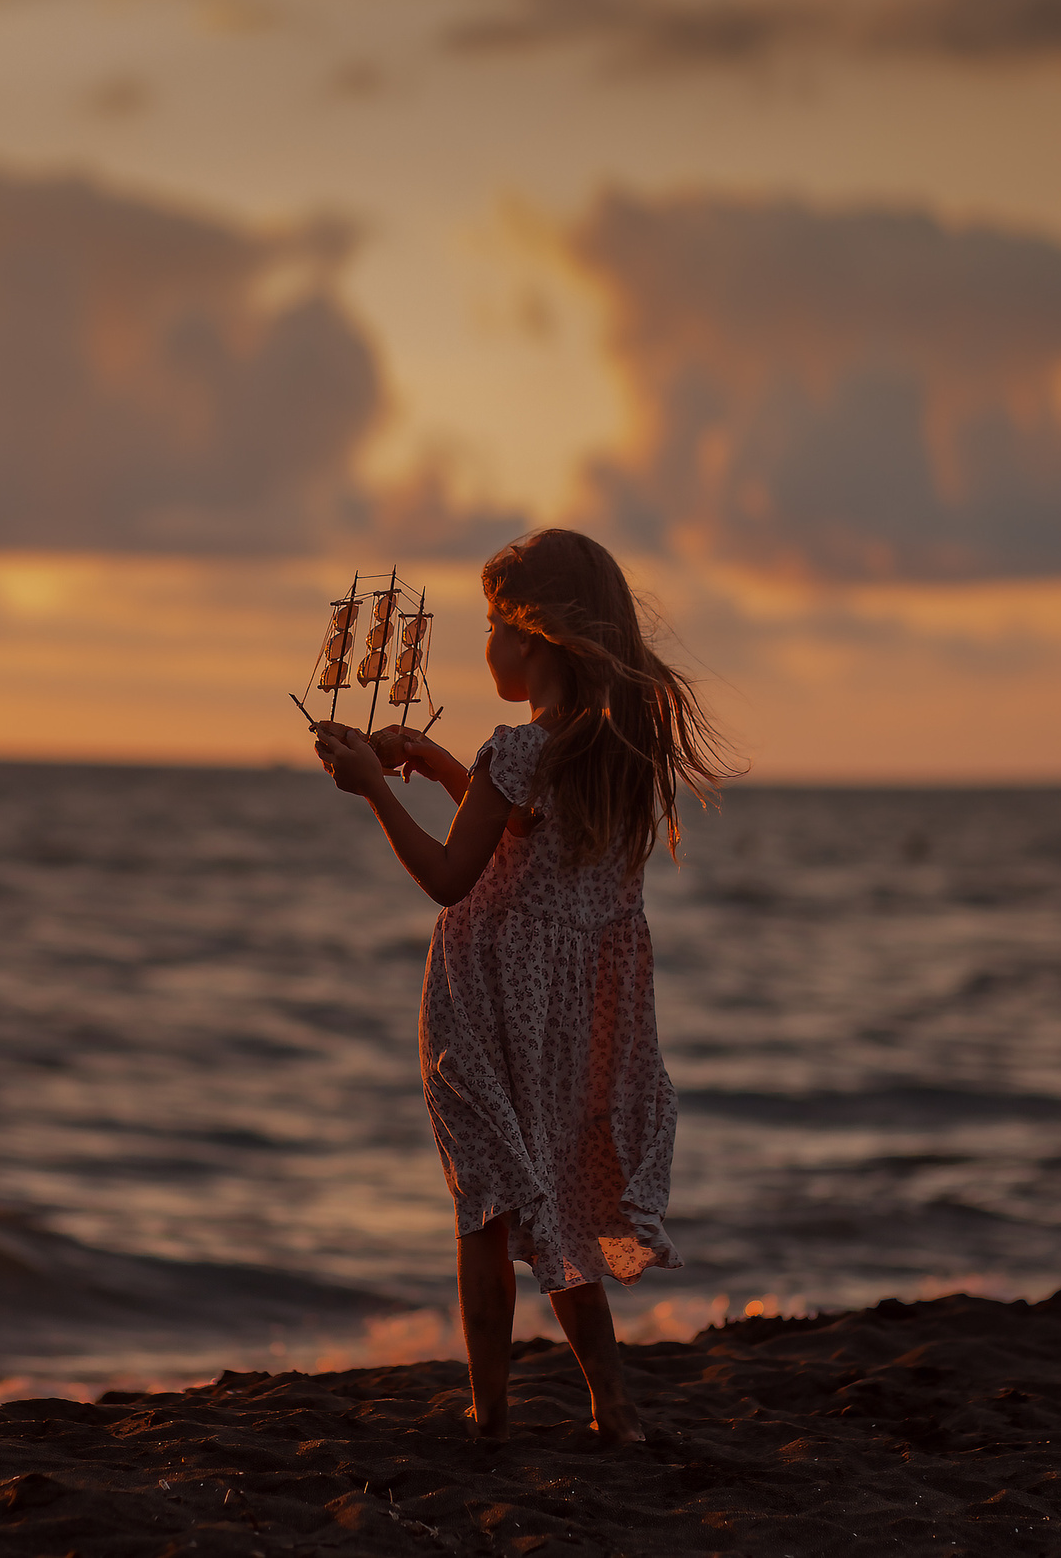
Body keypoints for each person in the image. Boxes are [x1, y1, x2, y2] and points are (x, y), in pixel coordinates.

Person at [310, 528, 738, 1445]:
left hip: (487, 1010)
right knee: (555, 1203)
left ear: (534, 635)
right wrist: (443, 769)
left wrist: (374, 788)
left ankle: (490, 1414)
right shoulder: (608, 754)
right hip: (571, 1023)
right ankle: (613, 1404)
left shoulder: (518, 749)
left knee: (486, 1207)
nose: (488, 643)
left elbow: (450, 876)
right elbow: (530, 841)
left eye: (494, 625)